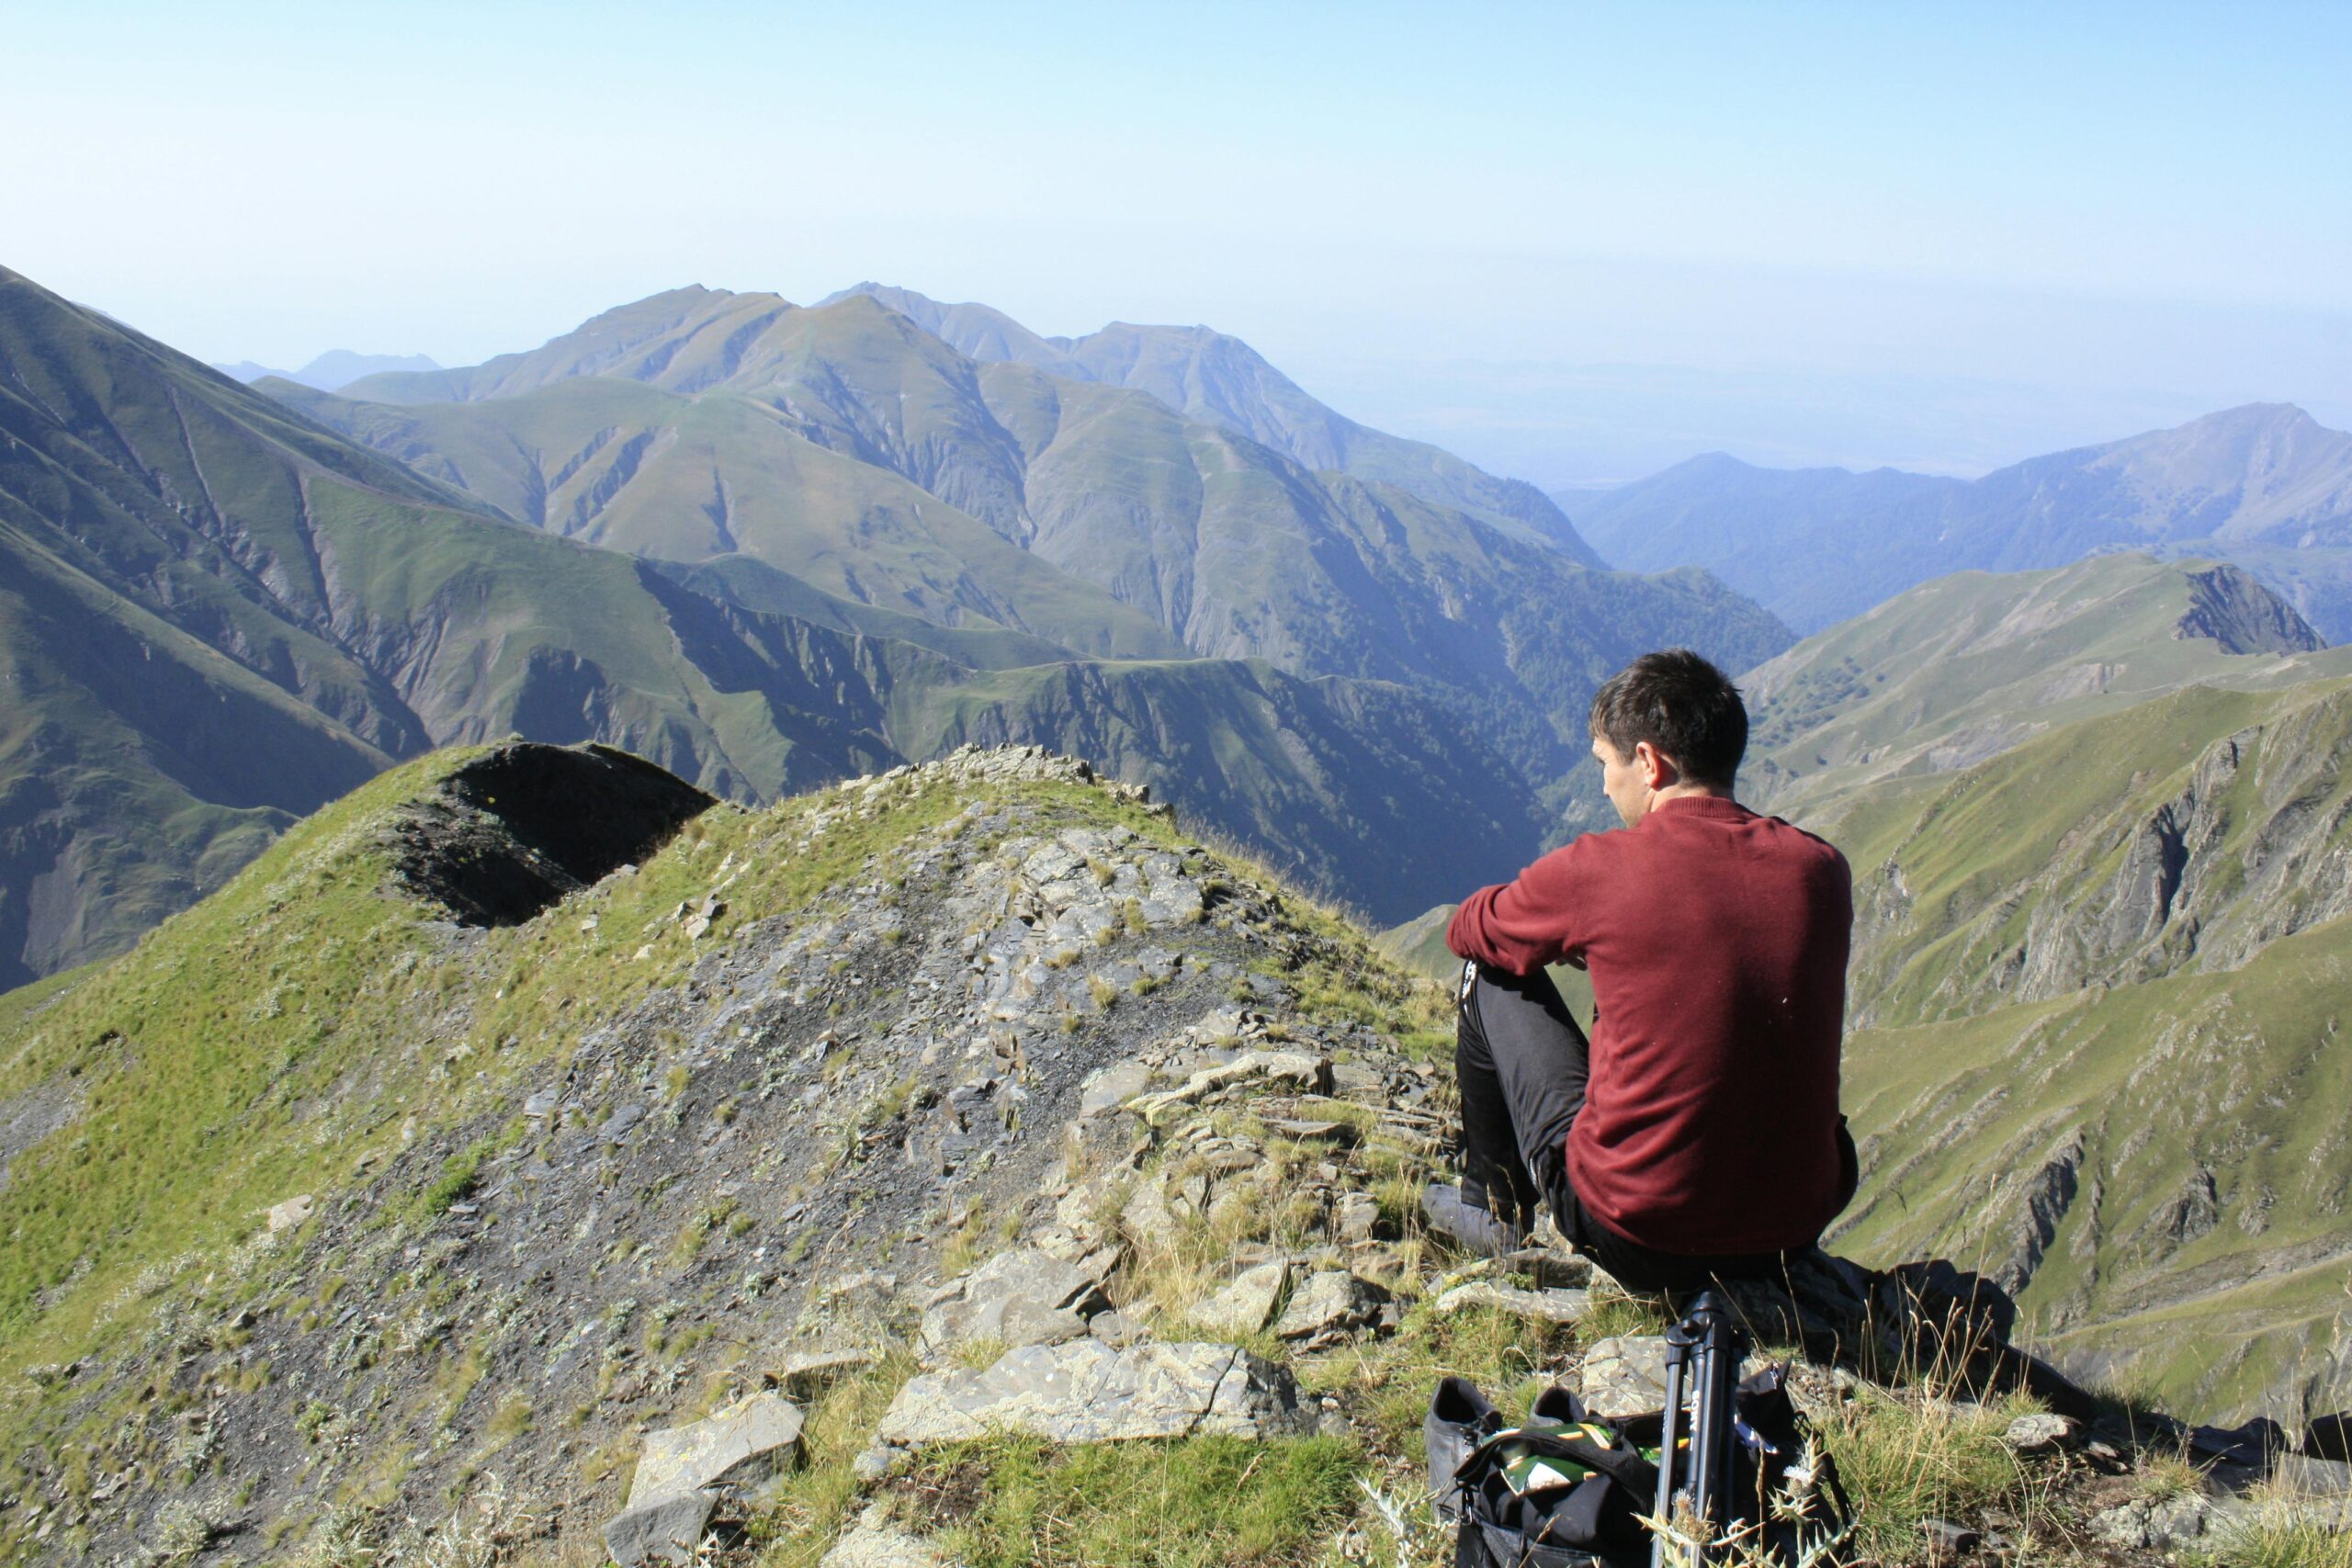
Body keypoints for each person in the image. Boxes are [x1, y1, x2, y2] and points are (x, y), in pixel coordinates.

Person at [1427, 649, 1858, 1292]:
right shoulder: (1822, 869)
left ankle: (1489, 1207)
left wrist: (1565, 935)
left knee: (1488, 975)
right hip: (1791, 1236)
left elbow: (1470, 929)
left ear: (1650, 763)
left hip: (1642, 1235)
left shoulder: (1604, 869)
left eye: (1607, 763)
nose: (1604, 785)